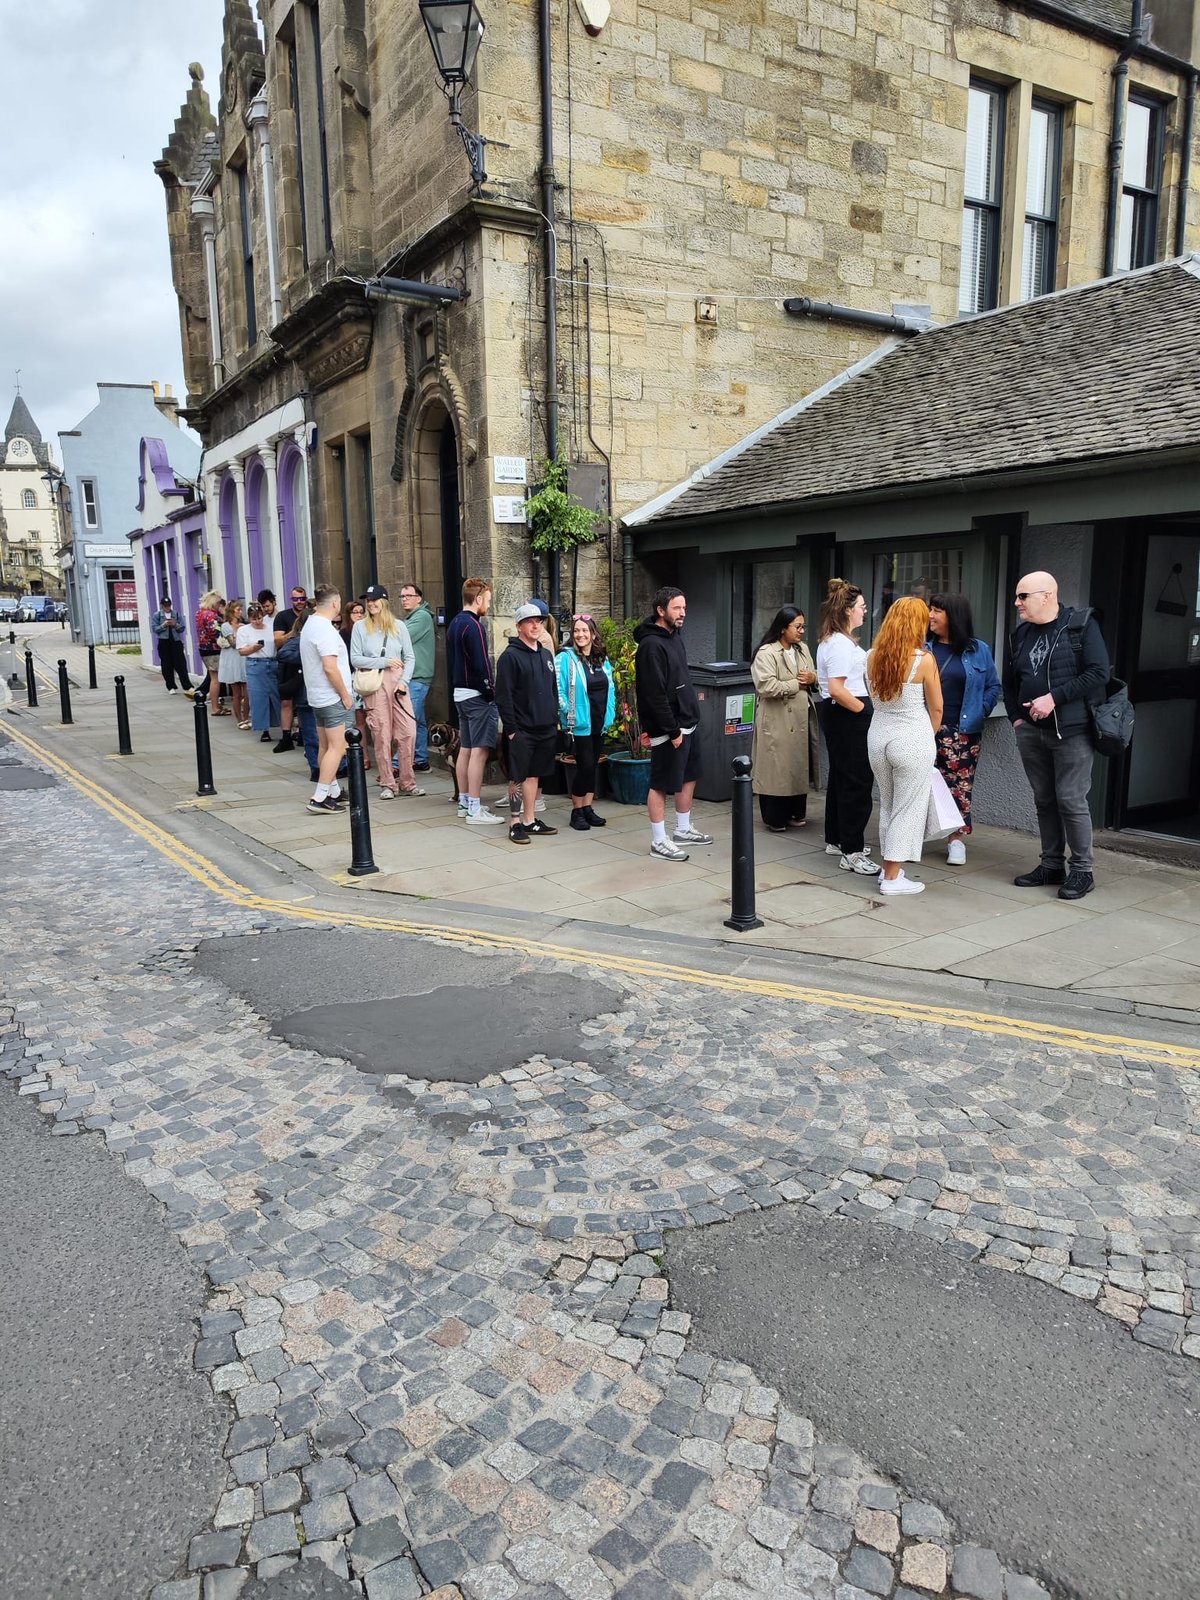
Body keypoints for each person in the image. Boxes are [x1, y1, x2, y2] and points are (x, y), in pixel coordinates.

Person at [1003, 571, 1110, 900]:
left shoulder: (1081, 626)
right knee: (1044, 800)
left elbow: (1099, 672)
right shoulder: (1021, 634)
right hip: (1031, 731)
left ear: (1047, 595)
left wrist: (1053, 698)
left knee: (1071, 800)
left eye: (1023, 596)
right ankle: (1051, 865)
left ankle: (1082, 871)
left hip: (1071, 731)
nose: (1017, 603)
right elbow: (1010, 681)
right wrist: (1017, 718)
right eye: (1017, 597)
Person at [865, 597, 942, 896]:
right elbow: (937, 708)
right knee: (907, 810)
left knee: (888, 805)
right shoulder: (924, 660)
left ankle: (889, 870)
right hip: (912, 739)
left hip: (877, 739)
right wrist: (927, 737)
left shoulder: (871, 656)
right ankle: (892, 878)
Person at [634, 586, 714, 861]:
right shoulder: (650, 646)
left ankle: (682, 829)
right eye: (677, 608)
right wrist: (671, 730)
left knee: (689, 776)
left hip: (687, 721)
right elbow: (653, 693)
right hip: (668, 729)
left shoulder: (674, 636)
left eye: (684, 608)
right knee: (660, 783)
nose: (683, 613)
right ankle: (659, 841)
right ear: (660, 610)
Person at [927, 594, 1002, 866]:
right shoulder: (923, 647)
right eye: (930, 610)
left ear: (954, 616)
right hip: (924, 726)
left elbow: (993, 685)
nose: (931, 615)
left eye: (937, 611)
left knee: (959, 786)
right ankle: (912, 837)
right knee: (918, 783)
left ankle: (956, 840)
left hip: (962, 730)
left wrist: (981, 709)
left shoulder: (978, 649)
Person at [815, 578, 877, 875]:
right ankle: (852, 851)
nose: (865, 611)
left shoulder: (836, 640)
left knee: (843, 777)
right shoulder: (839, 644)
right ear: (848, 610)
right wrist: (864, 711)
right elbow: (837, 689)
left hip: (841, 713)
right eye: (862, 606)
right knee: (857, 781)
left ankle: (837, 839)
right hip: (848, 713)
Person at [350, 584, 424, 799]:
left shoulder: (398, 626)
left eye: (374, 600)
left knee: (408, 731)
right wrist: (383, 661)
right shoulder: (360, 627)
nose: (371, 604)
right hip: (375, 682)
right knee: (381, 734)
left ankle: (407, 781)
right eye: (368, 600)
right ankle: (388, 783)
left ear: (383, 601)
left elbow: (409, 657)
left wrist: (404, 681)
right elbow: (355, 658)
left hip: (397, 681)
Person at [750, 605, 820, 831]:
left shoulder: (802, 649)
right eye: (797, 627)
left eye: (803, 627)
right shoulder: (766, 653)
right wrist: (796, 684)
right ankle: (775, 818)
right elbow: (765, 685)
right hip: (777, 719)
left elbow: (815, 676)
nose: (802, 631)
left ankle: (796, 812)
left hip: (800, 719)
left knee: (797, 766)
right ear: (782, 628)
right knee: (776, 768)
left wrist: (812, 678)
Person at [496, 602, 561, 845]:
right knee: (518, 775)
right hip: (522, 729)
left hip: (545, 727)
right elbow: (503, 697)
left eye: (539, 621)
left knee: (534, 775)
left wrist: (554, 718)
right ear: (519, 626)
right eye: (529, 622)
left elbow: (552, 689)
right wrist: (512, 730)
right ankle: (515, 823)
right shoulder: (510, 657)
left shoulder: (545, 654)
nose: (535, 625)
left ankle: (529, 819)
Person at [446, 577, 505, 825]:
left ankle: (464, 804)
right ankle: (474, 808)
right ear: (478, 598)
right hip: (477, 696)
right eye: (488, 601)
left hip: (460, 694)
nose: (488, 606)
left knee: (466, 749)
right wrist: (491, 693)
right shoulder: (474, 626)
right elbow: (482, 665)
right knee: (480, 752)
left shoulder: (455, 623)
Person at [557, 613, 615, 830]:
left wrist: (610, 714)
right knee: (585, 767)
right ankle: (577, 811)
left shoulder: (602, 659)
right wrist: (568, 712)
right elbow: (558, 690)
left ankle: (588, 807)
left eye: (584, 630)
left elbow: (611, 689)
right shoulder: (565, 658)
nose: (580, 635)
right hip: (579, 723)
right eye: (576, 631)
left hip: (599, 721)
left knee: (593, 767)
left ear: (593, 634)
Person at [300, 583, 353, 814]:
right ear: (334, 603)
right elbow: (330, 668)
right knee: (338, 747)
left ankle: (333, 790)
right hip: (331, 696)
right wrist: (345, 695)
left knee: (325, 745)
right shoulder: (325, 630)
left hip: (317, 695)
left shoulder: (310, 624)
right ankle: (320, 797)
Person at [398, 581, 435, 772]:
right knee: (417, 720)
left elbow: (399, 638)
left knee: (408, 720)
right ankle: (421, 759)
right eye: (402, 596)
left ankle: (397, 764)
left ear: (418, 599)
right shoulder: (413, 617)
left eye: (408, 596)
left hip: (417, 677)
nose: (404, 599)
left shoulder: (421, 617)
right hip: (416, 676)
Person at [272, 586, 309, 751]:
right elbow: (278, 641)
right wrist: (294, 632)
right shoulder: (282, 616)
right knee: (286, 701)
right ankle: (286, 736)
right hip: (287, 664)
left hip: (305, 663)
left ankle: (303, 734)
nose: (299, 602)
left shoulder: (310, 615)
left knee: (303, 700)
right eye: (296, 599)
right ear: (291, 600)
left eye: (302, 598)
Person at [237, 600, 279, 742]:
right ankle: (263, 729)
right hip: (255, 663)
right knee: (258, 697)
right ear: (249, 618)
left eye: (259, 618)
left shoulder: (271, 627)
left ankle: (280, 724)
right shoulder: (244, 630)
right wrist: (253, 648)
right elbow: (242, 651)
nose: (257, 621)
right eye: (254, 619)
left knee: (276, 695)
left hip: (272, 662)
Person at [339, 598, 372, 768]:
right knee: (359, 719)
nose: (359, 615)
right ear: (348, 614)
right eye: (355, 612)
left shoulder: (369, 630)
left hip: (372, 677)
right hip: (354, 677)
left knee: (376, 718)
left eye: (361, 612)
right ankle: (364, 756)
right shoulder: (344, 633)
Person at [150, 596, 195, 696]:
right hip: (163, 642)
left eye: (169, 605)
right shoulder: (157, 615)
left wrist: (175, 624)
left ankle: (187, 686)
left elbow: (182, 628)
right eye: (165, 606)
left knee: (181, 664)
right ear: (162, 606)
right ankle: (171, 686)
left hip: (176, 641)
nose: (167, 607)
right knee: (166, 665)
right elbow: (155, 629)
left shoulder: (176, 614)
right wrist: (164, 625)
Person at [218, 599, 249, 727]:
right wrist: (241, 634)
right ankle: (239, 719)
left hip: (242, 658)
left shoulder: (243, 625)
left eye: (241, 610)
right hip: (232, 659)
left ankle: (246, 717)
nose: (240, 612)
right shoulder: (226, 626)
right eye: (238, 610)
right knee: (236, 693)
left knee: (247, 692)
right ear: (231, 611)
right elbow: (233, 643)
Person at [195, 591, 226, 715]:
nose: (219, 606)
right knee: (215, 679)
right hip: (213, 649)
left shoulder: (200, 613)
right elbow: (215, 632)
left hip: (204, 648)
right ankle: (215, 707)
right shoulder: (211, 615)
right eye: (218, 603)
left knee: (214, 678)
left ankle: (216, 705)